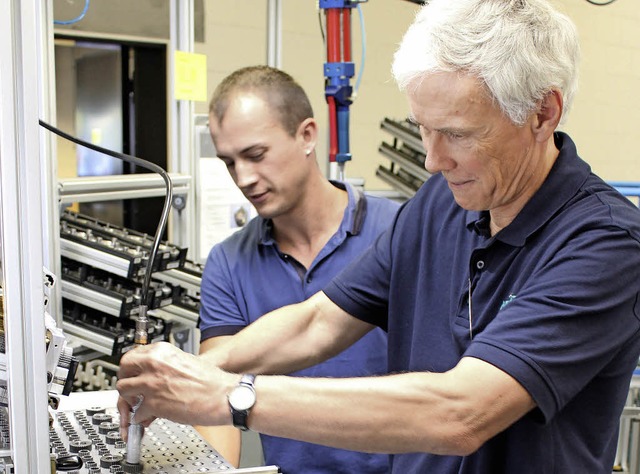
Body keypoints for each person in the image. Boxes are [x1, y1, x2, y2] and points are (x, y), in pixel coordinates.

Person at [117, 1, 640, 473]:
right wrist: (186, 372)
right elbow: (318, 322)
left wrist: (233, 396)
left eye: (457, 134)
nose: (434, 160)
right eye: (422, 130)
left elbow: (460, 413)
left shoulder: (604, 243)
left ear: (542, 113)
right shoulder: (442, 202)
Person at [195, 66, 398, 473]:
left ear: (307, 135)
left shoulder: (397, 233)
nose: (244, 178)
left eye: (255, 155)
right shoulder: (228, 262)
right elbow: (214, 392)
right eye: (229, 162)